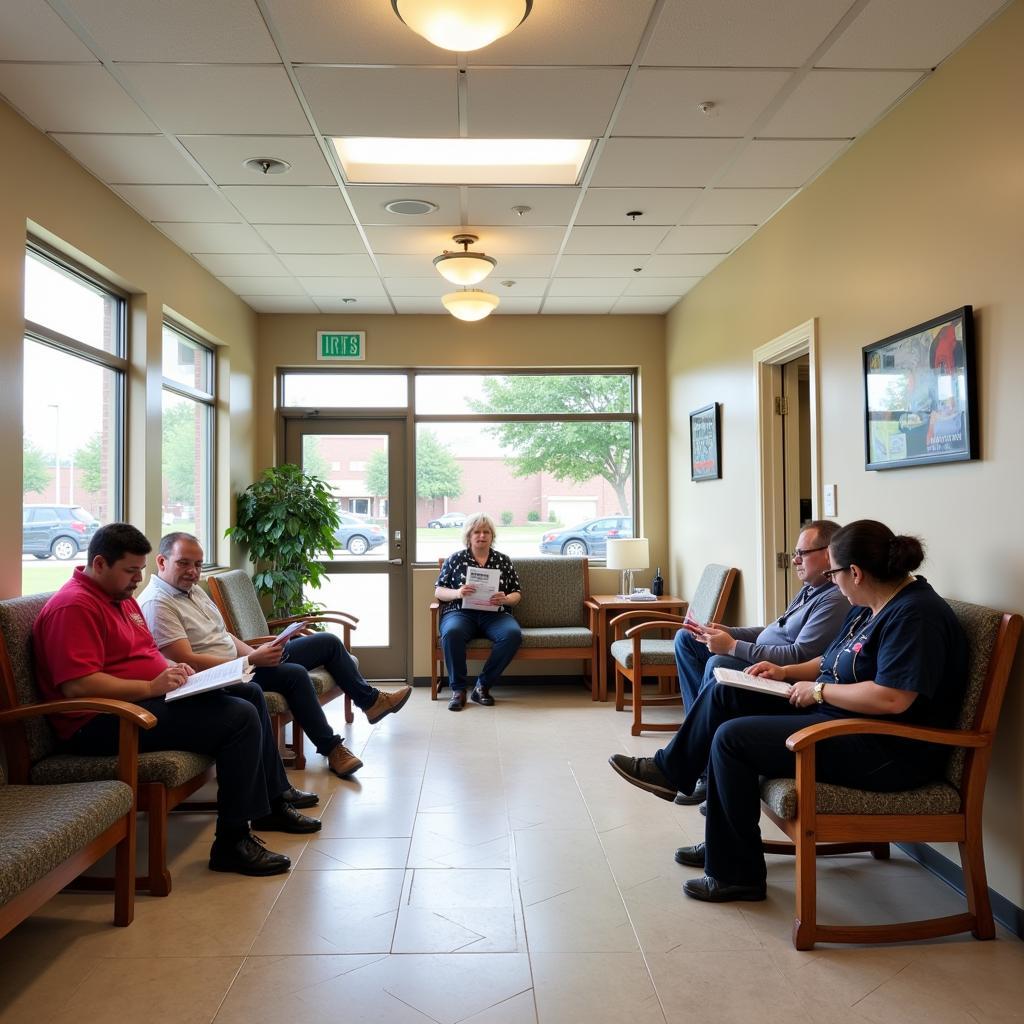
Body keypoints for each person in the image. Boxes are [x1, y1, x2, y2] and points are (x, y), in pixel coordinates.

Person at [609, 520, 968, 904]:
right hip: (843, 721)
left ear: (857, 573)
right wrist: (783, 672)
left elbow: (892, 699)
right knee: (725, 694)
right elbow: (826, 661)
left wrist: (817, 691)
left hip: (888, 749)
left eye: (834, 573)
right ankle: (676, 778)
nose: (833, 582)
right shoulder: (872, 605)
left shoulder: (916, 615)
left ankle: (736, 874)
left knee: (732, 739)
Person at [33, 523, 328, 877]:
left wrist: (179, 674)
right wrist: (152, 687)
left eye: (139, 571)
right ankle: (232, 842)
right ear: (99, 564)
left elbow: (144, 655)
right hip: (100, 722)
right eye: (130, 571)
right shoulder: (74, 607)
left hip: (149, 698)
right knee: (238, 718)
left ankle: (270, 804)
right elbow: (78, 687)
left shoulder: (120, 600)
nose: (136, 580)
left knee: (247, 692)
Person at [138, 532, 412, 779]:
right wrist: (250, 661)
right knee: (293, 675)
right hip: (218, 676)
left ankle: (371, 702)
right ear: (162, 562)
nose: (193, 571)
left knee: (327, 641)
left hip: (243, 662)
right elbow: (188, 659)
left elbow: (223, 635)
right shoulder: (157, 603)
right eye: (183, 563)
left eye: (198, 564)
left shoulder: (193, 591)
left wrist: (255, 653)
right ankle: (333, 748)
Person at [671, 519, 848, 806]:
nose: (794, 560)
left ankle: (699, 762)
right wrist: (729, 632)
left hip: (786, 678)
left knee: (718, 661)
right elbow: (772, 632)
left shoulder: (836, 600)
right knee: (687, 640)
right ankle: (698, 752)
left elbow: (800, 654)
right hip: (769, 661)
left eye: (802, 553)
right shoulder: (809, 589)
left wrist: (732, 647)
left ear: (829, 553)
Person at [434, 513, 522, 711]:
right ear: (469, 535)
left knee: (512, 635)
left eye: (486, 532)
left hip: (495, 614)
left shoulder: (503, 560)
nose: (481, 536)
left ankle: (482, 686)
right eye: (477, 532)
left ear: (492, 535)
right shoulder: (455, 559)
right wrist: (458, 592)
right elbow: (439, 591)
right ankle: (458, 690)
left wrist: (506, 599)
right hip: (460, 612)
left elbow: (517, 593)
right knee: (452, 633)